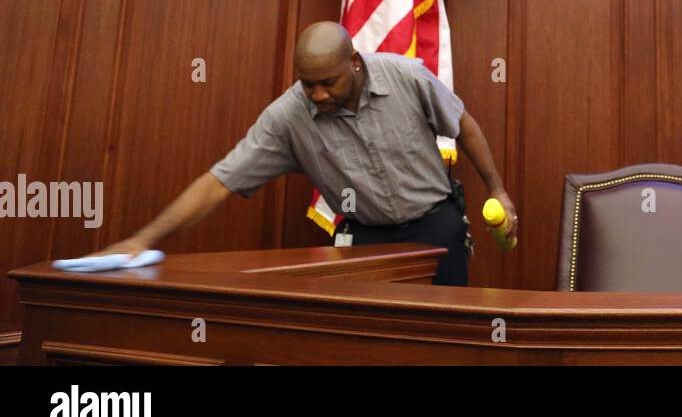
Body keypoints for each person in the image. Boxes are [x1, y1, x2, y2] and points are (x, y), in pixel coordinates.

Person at [97, 22, 517, 285]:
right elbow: (218, 182)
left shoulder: (406, 76)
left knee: (447, 344)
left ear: (354, 62)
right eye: (307, 83)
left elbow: (462, 124)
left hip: (436, 228)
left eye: (327, 83)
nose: (317, 95)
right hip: (365, 239)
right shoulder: (288, 116)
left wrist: (497, 189)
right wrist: (143, 239)